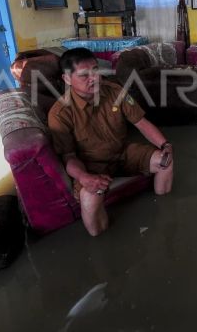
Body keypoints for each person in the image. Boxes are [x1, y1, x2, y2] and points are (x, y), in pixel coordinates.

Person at [48, 48, 173, 236]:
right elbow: (69, 157)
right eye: (84, 75)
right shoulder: (60, 113)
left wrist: (165, 145)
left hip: (122, 153)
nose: (95, 78)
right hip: (92, 166)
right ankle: (101, 238)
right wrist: (84, 177)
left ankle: (164, 211)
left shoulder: (115, 91)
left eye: (96, 70)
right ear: (66, 79)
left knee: (166, 161)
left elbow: (141, 123)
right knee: (89, 198)